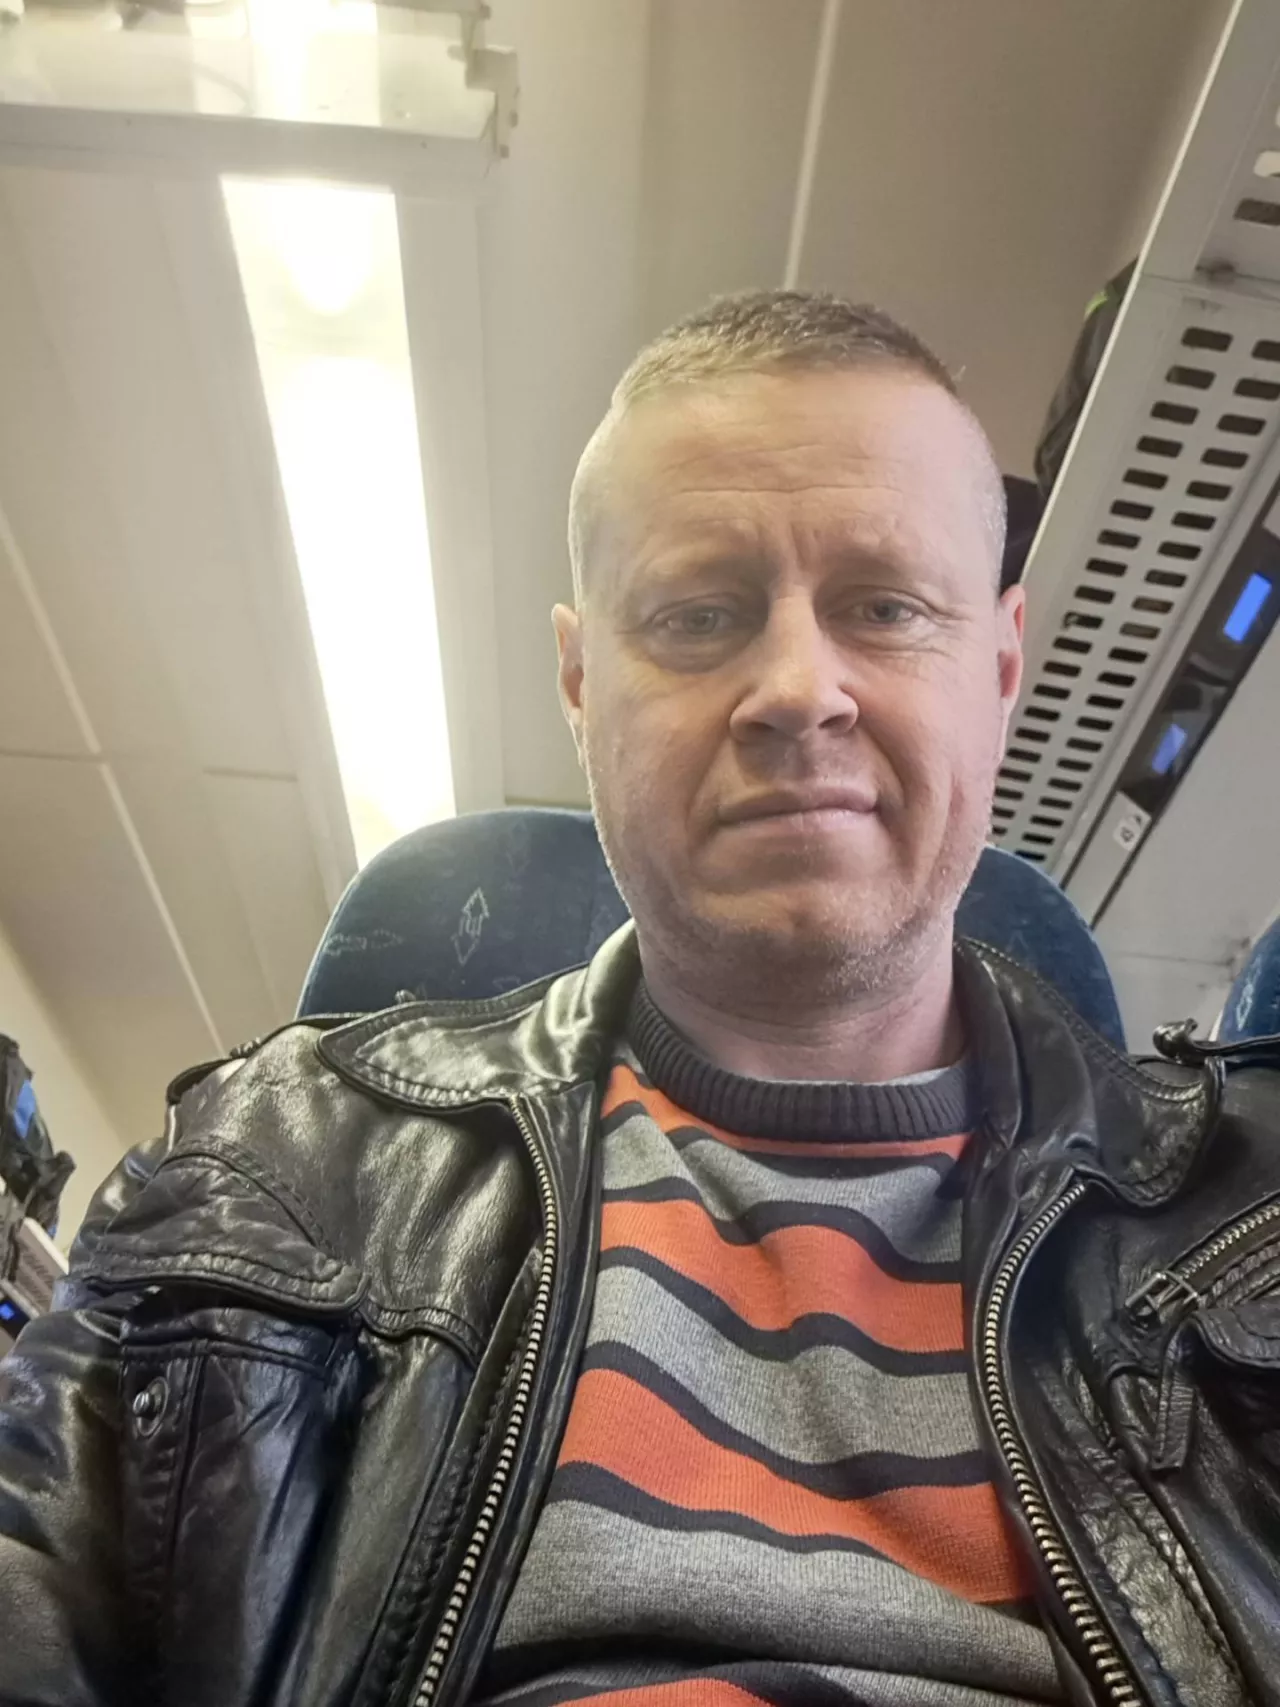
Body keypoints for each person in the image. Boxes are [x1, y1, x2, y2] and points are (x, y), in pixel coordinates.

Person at [2, 291, 1278, 1707]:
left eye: (884, 607)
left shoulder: (1254, 1221)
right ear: (579, 682)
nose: (796, 689)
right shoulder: (273, 1164)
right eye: (699, 615)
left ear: (1001, 666)